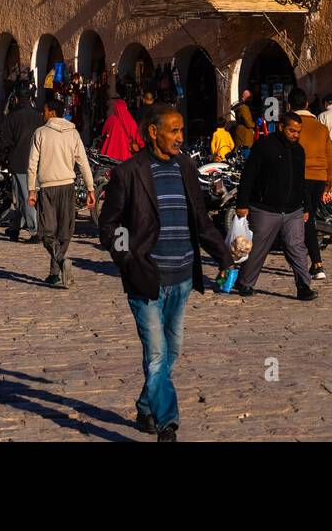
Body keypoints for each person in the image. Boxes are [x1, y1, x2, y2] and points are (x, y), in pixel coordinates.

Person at [99, 103, 234, 442]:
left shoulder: (186, 166)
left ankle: (146, 407)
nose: (180, 137)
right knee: (157, 354)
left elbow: (201, 220)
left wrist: (224, 257)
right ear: (153, 132)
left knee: (171, 351)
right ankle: (167, 423)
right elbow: (110, 224)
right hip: (146, 279)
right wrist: (127, 258)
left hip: (183, 277)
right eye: (174, 130)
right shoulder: (129, 172)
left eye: (182, 130)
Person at [234, 111, 317, 301]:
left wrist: (306, 207)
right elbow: (249, 175)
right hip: (265, 208)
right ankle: (245, 282)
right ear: (281, 127)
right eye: (292, 130)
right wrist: (242, 203)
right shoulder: (264, 146)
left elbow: (301, 180)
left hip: (293, 209)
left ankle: (304, 286)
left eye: (298, 132)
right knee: (258, 248)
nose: (295, 135)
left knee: (296, 246)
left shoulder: (299, 151)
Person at [27, 99, 95, 288]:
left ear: (52, 112)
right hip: (67, 187)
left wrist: (31, 189)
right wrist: (90, 188)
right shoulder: (73, 134)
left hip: (48, 188)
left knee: (46, 231)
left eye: (45, 109)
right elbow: (83, 162)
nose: (43, 113)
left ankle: (57, 266)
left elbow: (32, 164)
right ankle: (57, 269)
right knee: (64, 231)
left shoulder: (40, 133)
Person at [288, 88, 332, 282]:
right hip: (319, 177)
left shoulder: (289, 126)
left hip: (300, 177)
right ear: (307, 104)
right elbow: (330, 157)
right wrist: (328, 184)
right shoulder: (321, 127)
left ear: (289, 106)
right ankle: (309, 260)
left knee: (304, 220)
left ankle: (316, 262)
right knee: (308, 218)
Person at [0, 97, 44, 241]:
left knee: (25, 197)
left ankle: (35, 231)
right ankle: (14, 228)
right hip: (36, 162)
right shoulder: (39, 116)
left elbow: (4, 140)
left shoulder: (12, 116)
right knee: (20, 196)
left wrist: (2, 159)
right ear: (30, 98)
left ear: (16, 98)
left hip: (19, 162)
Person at [99, 96, 142, 162]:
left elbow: (103, 134)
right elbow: (138, 139)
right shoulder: (130, 120)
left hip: (109, 155)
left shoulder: (111, 119)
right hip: (125, 156)